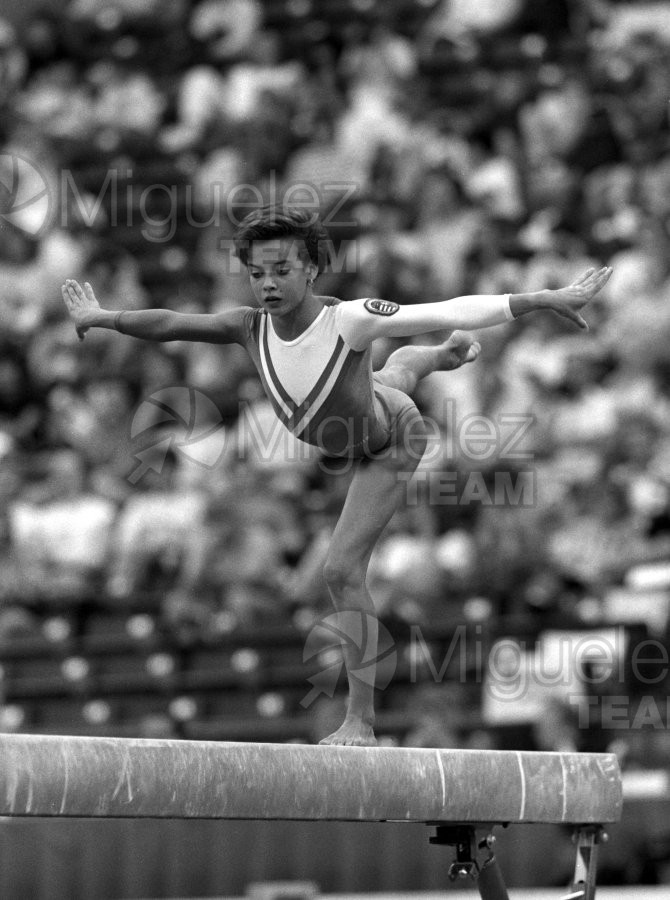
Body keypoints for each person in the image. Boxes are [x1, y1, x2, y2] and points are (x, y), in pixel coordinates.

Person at [61, 205, 612, 746]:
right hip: (358, 417)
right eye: (257, 274)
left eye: (282, 270)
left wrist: (540, 299)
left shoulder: (348, 318)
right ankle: (435, 359)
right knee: (386, 378)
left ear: (311, 269)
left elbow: (449, 307)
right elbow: (172, 324)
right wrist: (102, 317)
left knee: (341, 571)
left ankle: (361, 720)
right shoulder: (247, 327)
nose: (268, 284)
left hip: (392, 440)